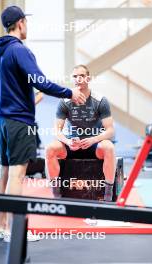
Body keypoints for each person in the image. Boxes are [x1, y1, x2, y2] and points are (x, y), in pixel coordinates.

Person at [0, 6, 86, 242]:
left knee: (4, 174)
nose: (27, 26)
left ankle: (3, 227)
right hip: (18, 122)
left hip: (1, 121)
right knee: (17, 176)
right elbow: (41, 82)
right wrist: (69, 92)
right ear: (20, 23)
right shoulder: (19, 51)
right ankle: (13, 233)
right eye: (26, 22)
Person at [46, 65, 116, 202]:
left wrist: (93, 140)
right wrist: (67, 141)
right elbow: (56, 130)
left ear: (88, 78)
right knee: (50, 149)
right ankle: (56, 194)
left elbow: (110, 130)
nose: (78, 79)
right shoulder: (64, 102)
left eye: (82, 76)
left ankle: (108, 194)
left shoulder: (100, 100)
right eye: (75, 76)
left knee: (109, 147)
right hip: (72, 145)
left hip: (94, 146)